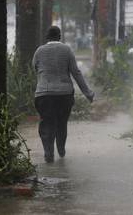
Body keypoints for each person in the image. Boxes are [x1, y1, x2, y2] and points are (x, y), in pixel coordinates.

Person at [32, 26, 95, 163]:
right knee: (61, 122)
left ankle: (48, 152)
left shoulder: (39, 51)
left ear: (47, 37)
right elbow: (76, 72)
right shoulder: (66, 50)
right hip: (64, 95)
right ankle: (61, 149)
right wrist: (87, 93)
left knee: (46, 123)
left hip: (44, 94)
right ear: (59, 36)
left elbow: (35, 69)